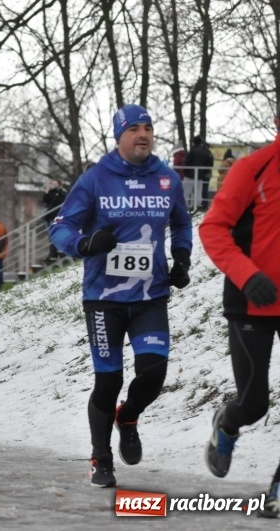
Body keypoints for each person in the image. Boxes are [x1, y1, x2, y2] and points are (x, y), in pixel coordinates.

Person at [49, 104, 193, 488]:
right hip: (104, 298)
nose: (143, 134)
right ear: (119, 136)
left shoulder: (167, 179)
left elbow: (182, 223)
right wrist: (85, 243)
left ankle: (127, 417)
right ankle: (101, 457)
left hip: (150, 296)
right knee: (108, 380)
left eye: (148, 127)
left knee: (154, 372)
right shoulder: (96, 179)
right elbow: (60, 228)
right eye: (134, 129)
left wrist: (181, 257)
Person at [198, 114, 280, 518]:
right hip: (252, 303)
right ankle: (227, 424)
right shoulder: (252, 168)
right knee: (254, 403)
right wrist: (248, 276)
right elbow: (213, 228)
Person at [183, 135, 214, 210]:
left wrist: (185, 172)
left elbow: (187, 162)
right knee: (198, 192)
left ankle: (184, 206)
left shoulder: (192, 151)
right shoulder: (206, 152)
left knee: (186, 191)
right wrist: (204, 173)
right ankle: (197, 207)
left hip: (189, 175)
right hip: (200, 176)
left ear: (194, 143)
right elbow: (209, 164)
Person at [42, 179, 67, 262]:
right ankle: (52, 252)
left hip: (56, 216)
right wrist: (47, 191)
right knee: (50, 235)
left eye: (55, 184)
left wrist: (57, 193)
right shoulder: (51, 192)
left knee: (55, 234)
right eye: (52, 184)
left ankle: (57, 251)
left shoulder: (61, 192)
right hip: (49, 216)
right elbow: (45, 200)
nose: (53, 185)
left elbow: (59, 201)